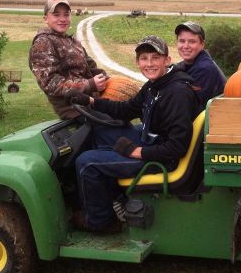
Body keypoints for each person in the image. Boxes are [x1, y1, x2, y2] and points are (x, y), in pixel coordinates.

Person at [68, 35, 201, 233]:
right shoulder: (155, 86)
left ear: (167, 60)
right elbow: (127, 109)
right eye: (144, 58)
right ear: (138, 62)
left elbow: (177, 147)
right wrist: (92, 102)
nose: (149, 64)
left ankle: (100, 221)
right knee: (100, 133)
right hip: (154, 141)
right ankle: (111, 197)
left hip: (162, 159)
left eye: (155, 58)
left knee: (86, 162)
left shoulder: (176, 93)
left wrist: (137, 152)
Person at [29, 0, 109, 120]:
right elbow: (50, 83)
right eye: (56, 15)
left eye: (66, 15)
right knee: (116, 129)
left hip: (91, 101)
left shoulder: (74, 42)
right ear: (46, 18)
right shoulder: (43, 42)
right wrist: (89, 84)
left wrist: (106, 79)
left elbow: (91, 67)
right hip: (74, 109)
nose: (62, 19)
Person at [174, 21, 226, 108]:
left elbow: (188, 106)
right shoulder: (187, 64)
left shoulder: (204, 69)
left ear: (202, 45)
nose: (186, 46)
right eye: (182, 41)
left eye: (192, 42)